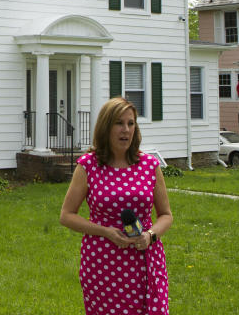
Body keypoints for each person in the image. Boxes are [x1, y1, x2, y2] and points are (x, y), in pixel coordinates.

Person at [59, 97, 173, 315]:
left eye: (131, 124)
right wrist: (106, 232)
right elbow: (66, 215)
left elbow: (166, 215)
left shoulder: (149, 165)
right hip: (103, 262)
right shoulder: (88, 166)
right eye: (119, 123)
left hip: (145, 259)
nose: (126, 130)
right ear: (106, 127)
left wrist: (150, 235)